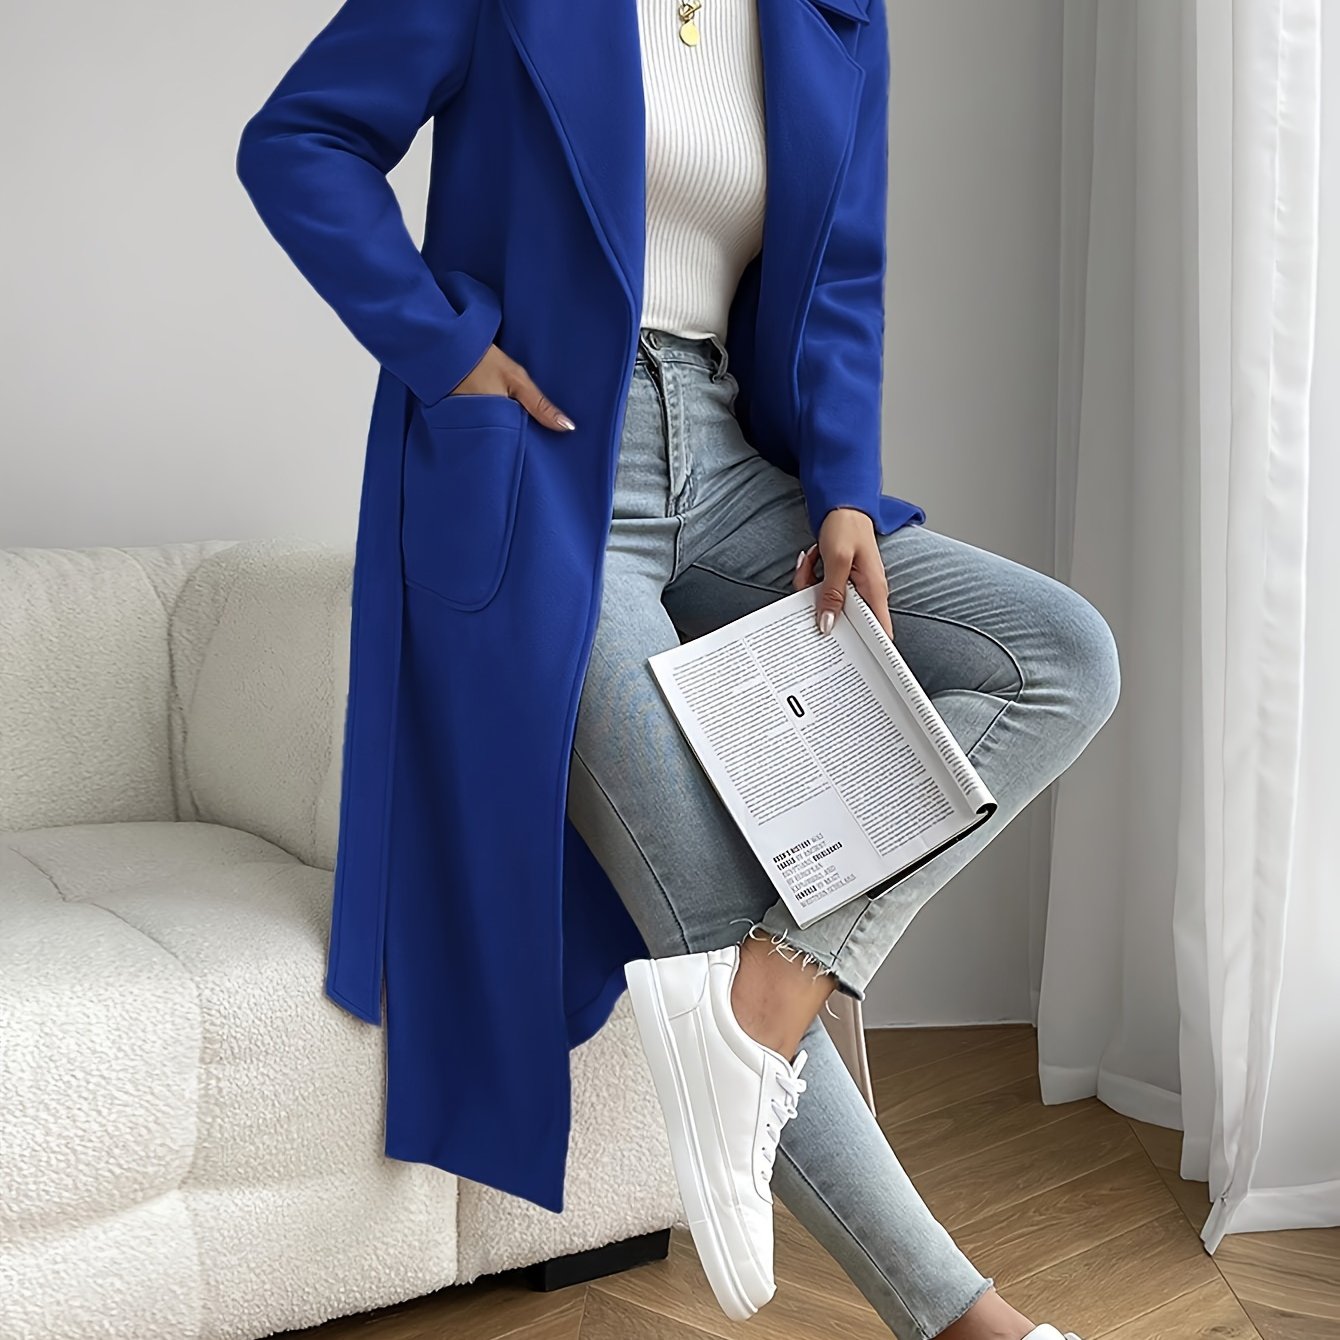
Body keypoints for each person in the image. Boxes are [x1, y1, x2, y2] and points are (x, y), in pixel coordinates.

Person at [237, 1, 1117, 1337]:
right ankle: (971, 1324)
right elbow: (299, 141)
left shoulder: (833, 15)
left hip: (734, 458)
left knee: (1056, 656)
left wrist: (843, 489)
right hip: (547, 475)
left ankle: (770, 987)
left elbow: (840, 276)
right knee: (710, 896)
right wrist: (446, 351)